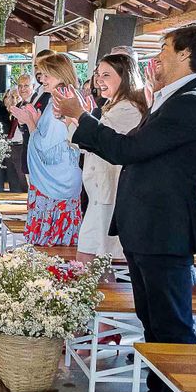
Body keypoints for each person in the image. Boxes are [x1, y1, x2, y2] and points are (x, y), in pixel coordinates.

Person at [54, 25, 196, 392]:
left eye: (165, 47)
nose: (157, 56)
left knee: (171, 324)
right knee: (151, 320)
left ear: (186, 55)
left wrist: (80, 117)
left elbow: (128, 150)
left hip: (164, 231)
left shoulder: (191, 103)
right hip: (145, 227)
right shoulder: (173, 100)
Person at [77, 54, 147, 266]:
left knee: (99, 259)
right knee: (89, 258)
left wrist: (78, 116)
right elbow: (87, 142)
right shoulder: (112, 105)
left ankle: (108, 298)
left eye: (106, 75)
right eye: (98, 75)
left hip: (112, 193)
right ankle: (99, 297)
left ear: (124, 77)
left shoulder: (128, 108)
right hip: (100, 193)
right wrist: (73, 118)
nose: (99, 80)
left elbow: (103, 143)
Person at [10, 53, 82, 246]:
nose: (42, 79)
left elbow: (46, 147)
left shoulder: (61, 101)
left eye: (46, 75)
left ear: (60, 74)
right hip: (60, 179)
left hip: (55, 183)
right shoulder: (58, 99)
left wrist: (30, 123)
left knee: (50, 244)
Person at [21, 49, 55, 180]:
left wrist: (30, 121)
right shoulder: (37, 92)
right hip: (31, 148)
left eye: (43, 65)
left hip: (45, 156)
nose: (39, 70)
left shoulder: (55, 95)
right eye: (36, 66)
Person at [3, 74, 32, 193]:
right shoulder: (18, 105)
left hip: (23, 147)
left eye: (26, 85)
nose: (22, 89)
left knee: (24, 183)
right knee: (14, 185)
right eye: (20, 86)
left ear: (33, 86)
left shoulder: (33, 104)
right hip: (11, 147)